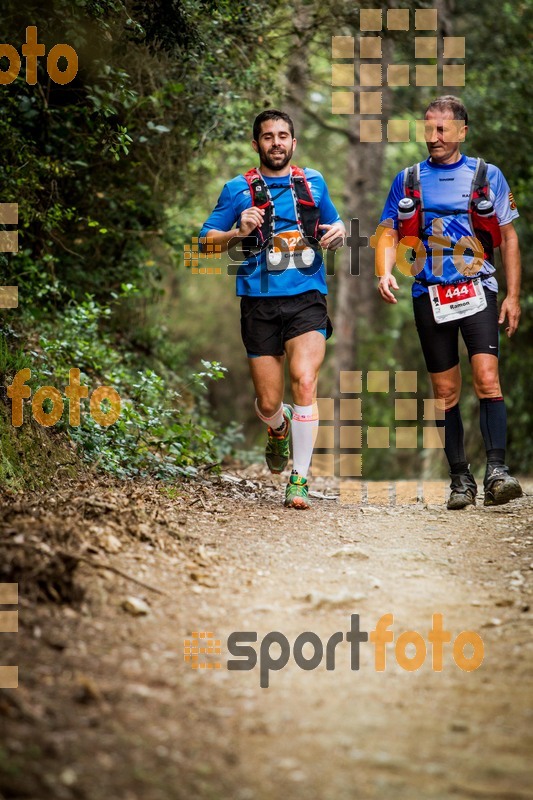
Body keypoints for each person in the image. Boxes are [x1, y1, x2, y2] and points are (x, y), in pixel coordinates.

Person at [377, 95, 522, 510]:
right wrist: (384, 271)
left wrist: (512, 295)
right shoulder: (407, 179)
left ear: (462, 131)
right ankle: (461, 478)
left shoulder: (486, 175)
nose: (434, 137)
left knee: (487, 378)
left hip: (477, 288)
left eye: (442, 129)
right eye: (428, 128)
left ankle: (497, 472)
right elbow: (387, 232)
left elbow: (509, 238)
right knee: (444, 392)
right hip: (430, 293)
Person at [200, 109, 345, 509]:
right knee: (268, 403)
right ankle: (277, 428)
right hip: (258, 301)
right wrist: (236, 232)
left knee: (305, 381)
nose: (276, 143)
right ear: (256, 144)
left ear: (293, 143)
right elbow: (203, 241)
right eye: (268, 137)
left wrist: (340, 231)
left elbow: (334, 224)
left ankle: (299, 479)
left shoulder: (312, 182)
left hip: (306, 297)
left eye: (283, 136)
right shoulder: (236, 189)